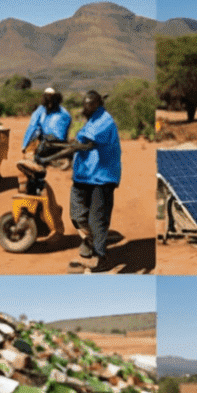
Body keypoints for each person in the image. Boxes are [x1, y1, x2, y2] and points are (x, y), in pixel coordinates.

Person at [68, 90, 121, 271]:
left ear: (99, 104)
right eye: (85, 103)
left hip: (102, 177)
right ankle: (90, 241)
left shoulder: (105, 121)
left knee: (97, 220)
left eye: (91, 104)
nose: (87, 107)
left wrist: (58, 152)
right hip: (84, 176)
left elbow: (85, 143)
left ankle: (102, 258)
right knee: (76, 214)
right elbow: (78, 142)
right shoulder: (91, 121)